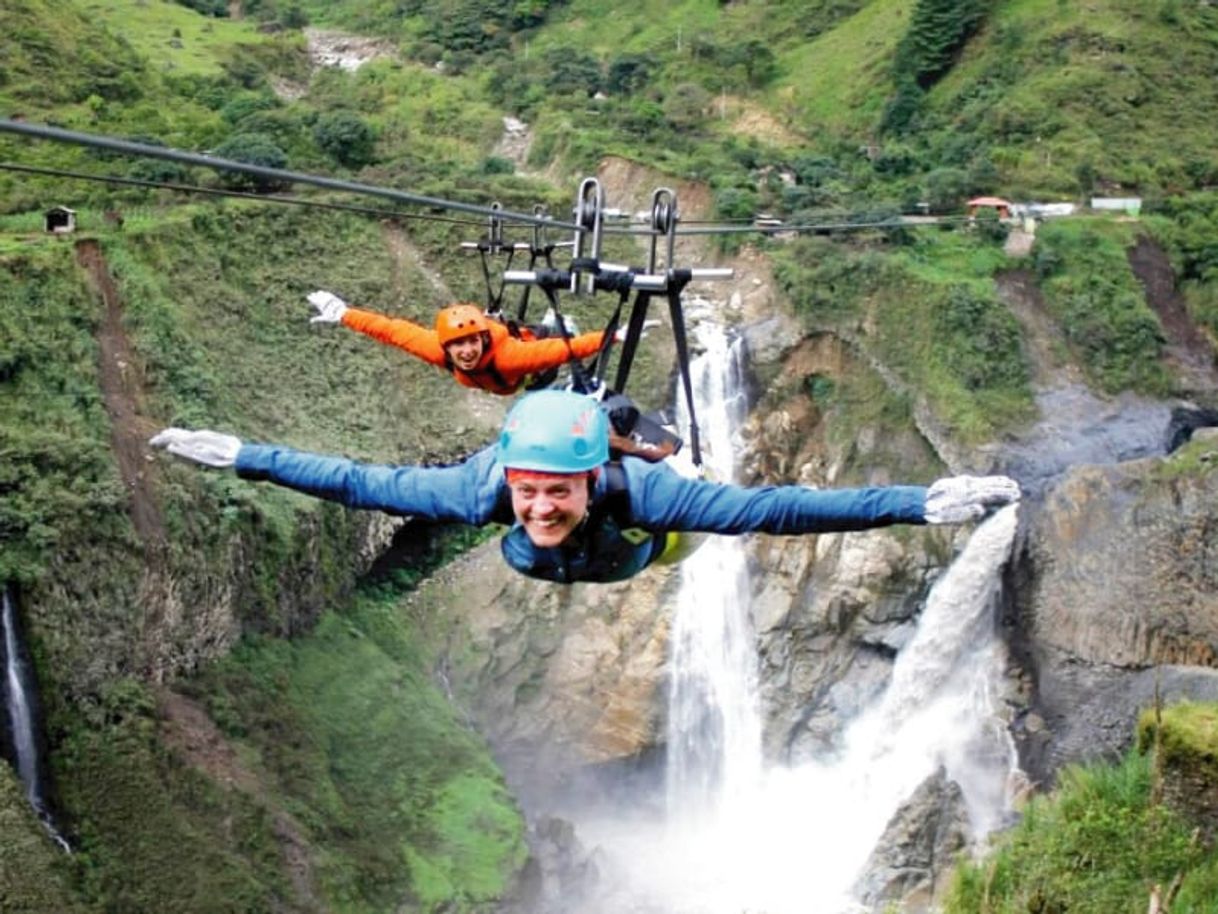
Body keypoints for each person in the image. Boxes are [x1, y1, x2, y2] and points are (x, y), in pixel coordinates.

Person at [149, 389, 1021, 585]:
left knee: (693, 535)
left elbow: (776, 510)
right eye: (527, 493)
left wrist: (920, 501)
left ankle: (641, 453)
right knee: (513, 549)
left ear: (589, 476)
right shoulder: (480, 491)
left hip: (640, 552)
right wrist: (243, 454)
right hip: (554, 560)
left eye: (554, 494)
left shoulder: (653, 499)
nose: (537, 506)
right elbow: (354, 481)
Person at [307, 290, 647, 397]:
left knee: (556, 344)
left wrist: (612, 336)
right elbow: (393, 331)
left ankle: (558, 323)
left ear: (483, 339)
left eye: (472, 343)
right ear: (447, 346)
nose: (466, 351)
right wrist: (344, 314)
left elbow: (561, 351)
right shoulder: (439, 349)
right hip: (508, 373)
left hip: (533, 374)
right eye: (458, 346)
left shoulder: (507, 357)